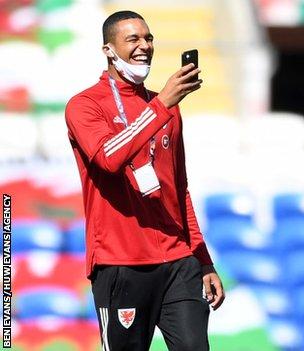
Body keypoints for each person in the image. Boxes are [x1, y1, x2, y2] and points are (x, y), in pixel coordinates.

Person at [65, 10, 224, 351]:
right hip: (122, 262)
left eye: (148, 38)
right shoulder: (84, 105)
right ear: (109, 49)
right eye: (133, 39)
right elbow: (109, 158)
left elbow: (178, 189)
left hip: (178, 260)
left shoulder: (165, 107)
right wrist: (162, 105)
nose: (145, 46)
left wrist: (203, 258)